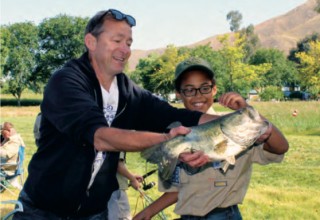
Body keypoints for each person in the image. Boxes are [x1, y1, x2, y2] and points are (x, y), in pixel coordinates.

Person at [13, 9, 219, 220]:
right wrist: (166, 140)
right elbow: (100, 137)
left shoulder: (126, 90)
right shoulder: (66, 81)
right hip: (42, 211)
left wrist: (242, 121)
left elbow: (173, 115)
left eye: (128, 43)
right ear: (91, 42)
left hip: (94, 212)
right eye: (117, 40)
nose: (125, 50)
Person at [133, 57, 289, 220]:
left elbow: (281, 147)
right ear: (179, 93)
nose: (198, 95)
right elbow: (177, 190)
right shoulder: (176, 134)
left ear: (214, 89)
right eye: (189, 90)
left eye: (205, 88)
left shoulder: (236, 128)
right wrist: (147, 212)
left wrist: (246, 109)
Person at [108, 151, 143, 220]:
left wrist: (131, 176)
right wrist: (132, 179)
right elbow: (118, 165)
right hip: (114, 190)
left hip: (115, 188)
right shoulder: (120, 142)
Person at [0, 122, 25, 191]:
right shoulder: (11, 139)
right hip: (7, 166)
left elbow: (5, 154)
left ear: (9, 131)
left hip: (7, 168)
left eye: (2, 133)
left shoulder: (15, 142)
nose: (2, 135)